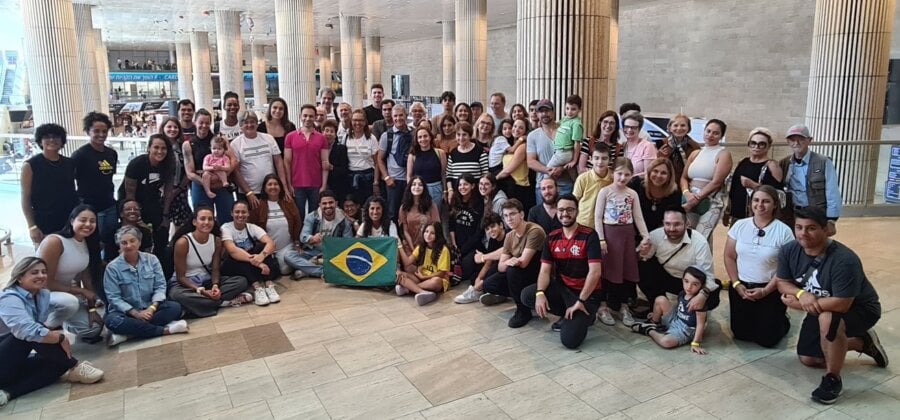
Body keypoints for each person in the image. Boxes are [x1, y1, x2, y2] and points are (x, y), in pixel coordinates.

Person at [775, 207, 887, 404]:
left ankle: (833, 379)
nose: (803, 233)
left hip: (859, 308)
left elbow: (842, 304)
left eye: (811, 228)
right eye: (799, 227)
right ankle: (863, 342)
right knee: (809, 359)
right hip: (820, 305)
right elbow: (782, 282)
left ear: (826, 229)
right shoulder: (789, 250)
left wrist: (800, 304)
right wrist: (802, 294)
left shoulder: (845, 260)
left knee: (828, 319)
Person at [0, 257, 104, 407]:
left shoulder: (42, 295)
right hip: (7, 355)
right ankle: (75, 366)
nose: (41, 276)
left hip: (16, 360)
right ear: (20, 277)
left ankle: (7, 392)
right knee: (30, 334)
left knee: (58, 363)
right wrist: (60, 338)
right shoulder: (9, 298)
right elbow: (26, 331)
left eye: (44, 272)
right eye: (34, 272)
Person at [521, 193, 601, 349]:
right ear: (556, 212)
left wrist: (581, 301)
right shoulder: (551, 238)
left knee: (570, 341)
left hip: (587, 295)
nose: (565, 214)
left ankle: (586, 316)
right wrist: (540, 293)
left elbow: (595, 272)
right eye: (561, 210)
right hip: (564, 289)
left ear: (577, 211)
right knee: (527, 295)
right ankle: (567, 313)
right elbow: (544, 271)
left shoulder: (590, 235)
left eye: (570, 210)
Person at [724, 186, 795, 348]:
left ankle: (781, 319)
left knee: (767, 340)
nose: (760, 205)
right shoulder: (740, 226)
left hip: (770, 290)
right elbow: (729, 256)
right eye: (756, 200)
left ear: (775, 205)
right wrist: (736, 284)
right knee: (741, 335)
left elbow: (786, 268)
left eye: (766, 201)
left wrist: (765, 291)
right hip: (741, 288)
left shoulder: (784, 231)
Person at [103, 226, 188, 347]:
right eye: (124, 243)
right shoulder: (112, 268)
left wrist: (152, 308)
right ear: (119, 246)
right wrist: (136, 313)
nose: (129, 245)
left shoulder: (152, 260)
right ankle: (164, 330)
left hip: (150, 308)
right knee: (112, 321)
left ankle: (130, 334)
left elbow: (160, 286)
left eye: (132, 241)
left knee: (175, 307)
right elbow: (113, 298)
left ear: (139, 242)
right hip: (125, 313)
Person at [594, 158, 650, 326]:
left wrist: (645, 235)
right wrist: (601, 239)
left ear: (632, 176)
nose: (622, 178)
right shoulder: (605, 191)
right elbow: (597, 217)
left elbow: (638, 217)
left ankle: (623, 306)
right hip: (610, 236)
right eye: (619, 174)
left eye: (627, 175)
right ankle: (603, 306)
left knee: (626, 272)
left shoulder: (632, 194)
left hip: (626, 236)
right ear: (613, 173)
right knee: (607, 271)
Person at [167, 206, 251, 318]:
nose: (206, 222)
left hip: (207, 280)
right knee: (176, 295)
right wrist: (200, 291)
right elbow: (180, 277)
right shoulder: (183, 242)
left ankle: (198, 306)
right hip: (186, 284)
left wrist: (215, 286)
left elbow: (215, 269)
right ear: (194, 222)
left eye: (210, 219)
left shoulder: (216, 240)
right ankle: (222, 303)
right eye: (202, 219)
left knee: (241, 281)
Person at [37, 205, 104, 343]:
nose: (88, 224)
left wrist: (92, 310)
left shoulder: (86, 243)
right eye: (83, 220)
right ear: (72, 221)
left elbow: (87, 279)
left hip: (64, 294)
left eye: (92, 221)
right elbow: (45, 282)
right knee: (70, 302)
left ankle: (63, 319)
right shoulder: (55, 241)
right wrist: (79, 291)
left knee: (94, 329)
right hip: (41, 294)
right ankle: (42, 330)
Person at [637, 207, 719, 311]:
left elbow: (708, 276)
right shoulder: (655, 235)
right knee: (642, 267)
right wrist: (640, 253)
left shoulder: (700, 242)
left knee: (712, 297)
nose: (671, 229)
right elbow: (639, 259)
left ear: (686, 223)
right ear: (663, 223)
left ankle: (689, 312)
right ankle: (658, 304)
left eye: (677, 224)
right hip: (665, 276)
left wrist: (703, 295)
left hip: (690, 282)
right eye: (667, 224)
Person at [482, 199, 546, 327]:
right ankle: (523, 298)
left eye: (512, 214)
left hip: (538, 273)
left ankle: (523, 310)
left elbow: (524, 262)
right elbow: (501, 266)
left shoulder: (534, 230)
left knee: (513, 270)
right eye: (505, 216)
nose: (509, 219)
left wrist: (511, 262)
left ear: (521, 214)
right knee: (489, 284)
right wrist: (510, 261)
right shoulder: (509, 236)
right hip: (520, 272)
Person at [119, 134, 175, 263]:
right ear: (149, 148)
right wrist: (135, 220)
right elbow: (129, 194)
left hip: (153, 200)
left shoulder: (169, 164)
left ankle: (160, 270)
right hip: (132, 203)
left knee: (161, 234)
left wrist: (166, 215)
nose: (160, 151)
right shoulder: (137, 164)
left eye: (163, 148)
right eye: (156, 147)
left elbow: (168, 191)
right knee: (139, 236)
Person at [21, 123, 79, 245]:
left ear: (62, 140)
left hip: (69, 221)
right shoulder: (31, 165)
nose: (51, 140)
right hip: (44, 223)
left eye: (56, 137)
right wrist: (32, 227)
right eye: (47, 137)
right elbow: (25, 199)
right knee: (47, 260)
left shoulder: (69, 163)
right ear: (40, 141)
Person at [780, 124, 842, 235]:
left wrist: (832, 219)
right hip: (792, 213)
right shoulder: (784, 163)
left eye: (801, 139)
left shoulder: (823, 162)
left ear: (809, 140)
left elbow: (832, 191)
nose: (796, 143)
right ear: (788, 142)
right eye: (792, 139)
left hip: (815, 213)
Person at [632, 266, 709, 355]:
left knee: (666, 342)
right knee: (660, 299)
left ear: (701, 286)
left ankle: (648, 330)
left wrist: (696, 343)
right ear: (682, 280)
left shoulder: (698, 303)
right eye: (686, 281)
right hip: (676, 319)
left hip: (685, 330)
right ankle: (654, 322)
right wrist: (658, 314)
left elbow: (700, 324)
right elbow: (679, 307)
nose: (689, 287)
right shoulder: (682, 293)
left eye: (695, 284)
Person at [72, 112, 118, 260]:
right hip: (90, 207)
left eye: (104, 131)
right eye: (96, 131)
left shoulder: (111, 153)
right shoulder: (80, 155)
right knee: (93, 244)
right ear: (88, 132)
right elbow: (70, 180)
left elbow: (108, 178)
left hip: (109, 205)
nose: (101, 134)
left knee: (110, 242)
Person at [682, 119, 733, 245]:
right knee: (689, 237)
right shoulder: (695, 153)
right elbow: (683, 177)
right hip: (690, 199)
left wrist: (697, 198)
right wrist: (686, 193)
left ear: (721, 136)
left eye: (715, 133)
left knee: (700, 239)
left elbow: (716, 182)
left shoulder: (723, 154)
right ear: (704, 131)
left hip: (711, 200)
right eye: (708, 131)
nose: (710, 135)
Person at [221, 201, 281, 306]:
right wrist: (258, 262)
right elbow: (232, 250)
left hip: (252, 263)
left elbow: (271, 243)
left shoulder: (252, 227)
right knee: (238, 255)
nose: (240, 215)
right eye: (237, 212)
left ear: (248, 214)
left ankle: (269, 284)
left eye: (244, 212)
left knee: (263, 248)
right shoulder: (226, 228)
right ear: (231, 213)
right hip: (235, 266)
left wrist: (262, 256)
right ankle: (257, 288)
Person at [183, 110, 236, 224]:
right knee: (203, 219)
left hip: (221, 181)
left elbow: (234, 160)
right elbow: (190, 173)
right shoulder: (188, 145)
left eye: (207, 123)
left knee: (227, 218)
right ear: (195, 122)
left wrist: (223, 177)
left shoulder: (220, 140)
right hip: (201, 183)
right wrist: (206, 182)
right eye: (201, 122)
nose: (204, 126)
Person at [724, 127, 784, 225]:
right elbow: (734, 189)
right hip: (737, 213)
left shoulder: (772, 165)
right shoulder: (743, 162)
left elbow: (779, 193)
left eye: (761, 144)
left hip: (759, 216)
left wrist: (753, 185)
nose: (756, 147)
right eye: (753, 143)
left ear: (768, 146)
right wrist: (728, 210)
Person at [232, 110, 290, 208]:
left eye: (252, 122)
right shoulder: (235, 144)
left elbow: (279, 162)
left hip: (270, 190)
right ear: (241, 125)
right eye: (246, 122)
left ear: (257, 124)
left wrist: (284, 187)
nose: (249, 125)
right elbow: (236, 172)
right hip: (249, 193)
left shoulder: (269, 138)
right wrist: (249, 193)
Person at [249, 174, 303, 275]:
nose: (273, 187)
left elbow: (297, 222)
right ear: (264, 188)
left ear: (280, 187)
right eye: (269, 184)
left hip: (287, 246)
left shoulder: (288, 202)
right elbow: (252, 228)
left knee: (284, 270)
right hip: (268, 249)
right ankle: (300, 267)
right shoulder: (258, 205)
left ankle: (300, 266)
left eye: (276, 184)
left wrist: (297, 243)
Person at [293, 191, 355, 279]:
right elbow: (303, 236)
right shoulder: (312, 217)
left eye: (331, 202)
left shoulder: (344, 220)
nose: (328, 206)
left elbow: (348, 242)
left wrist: (334, 245)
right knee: (289, 256)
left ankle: (308, 269)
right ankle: (322, 271)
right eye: (324, 203)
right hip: (314, 252)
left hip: (333, 254)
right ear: (320, 205)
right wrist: (312, 238)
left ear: (336, 203)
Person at [284, 104, 329, 215]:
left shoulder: (322, 138)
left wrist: (323, 185)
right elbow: (287, 161)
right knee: (298, 215)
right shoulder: (290, 136)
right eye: (305, 115)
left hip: (316, 184)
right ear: (300, 116)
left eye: (311, 116)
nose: (308, 119)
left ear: (315, 117)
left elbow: (325, 163)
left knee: (315, 216)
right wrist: (289, 184)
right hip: (297, 183)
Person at [527, 99, 574, 202]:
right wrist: (548, 170)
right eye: (541, 111)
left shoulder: (566, 130)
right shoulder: (532, 136)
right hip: (543, 186)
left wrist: (562, 168)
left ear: (553, 112)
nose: (544, 114)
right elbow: (530, 162)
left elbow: (575, 155)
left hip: (565, 185)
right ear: (537, 114)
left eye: (547, 111)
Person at [453, 213, 506, 304]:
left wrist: (482, 257)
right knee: (475, 277)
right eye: (487, 229)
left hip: (506, 268)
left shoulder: (509, 236)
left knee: (494, 269)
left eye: (493, 226)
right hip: (496, 269)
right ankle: (495, 293)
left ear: (501, 225)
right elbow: (488, 262)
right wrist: (479, 278)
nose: (490, 231)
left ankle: (479, 290)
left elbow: (505, 252)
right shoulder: (493, 240)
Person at [396, 222, 452, 306]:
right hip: (421, 277)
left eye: (432, 233)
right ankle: (422, 292)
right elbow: (407, 262)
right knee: (401, 275)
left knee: (436, 281)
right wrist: (400, 246)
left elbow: (442, 273)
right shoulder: (421, 247)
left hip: (436, 279)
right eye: (426, 231)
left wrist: (425, 277)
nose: (428, 235)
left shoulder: (443, 249)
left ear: (438, 235)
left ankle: (409, 289)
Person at [376, 105, 413, 222]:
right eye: (395, 116)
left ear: (406, 116)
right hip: (394, 181)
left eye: (401, 115)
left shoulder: (413, 134)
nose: (398, 118)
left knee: (409, 212)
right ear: (392, 118)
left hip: (410, 181)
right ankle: (394, 238)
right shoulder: (387, 136)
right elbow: (380, 158)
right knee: (393, 213)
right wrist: (386, 177)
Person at [629, 158, 682, 232]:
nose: (658, 175)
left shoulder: (675, 193)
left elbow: (671, 220)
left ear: (669, 176)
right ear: (649, 172)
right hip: (632, 231)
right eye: (655, 171)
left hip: (659, 234)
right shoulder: (636, 184)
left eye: (663, 173)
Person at [448, 174, 484, 274]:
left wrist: (463, 250)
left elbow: (478, 233)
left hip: (472, 246)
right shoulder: (454, 200)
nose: (462, 187)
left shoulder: (479, 203)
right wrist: (454, 244)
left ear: (472, 186)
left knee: (464, 271)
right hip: (457, 245)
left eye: (465, 184)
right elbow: (451, 226)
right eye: (460, 185)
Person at [573, 142, 613, 229]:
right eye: (596, 158)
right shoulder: (582, 178)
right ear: (590, 159)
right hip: (584, 223)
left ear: (610, 160)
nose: (600, 162)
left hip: (606, 224)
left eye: (604, 158)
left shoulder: (613, 178)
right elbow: (574, 201)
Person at [446, 122, 489, 200]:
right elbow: (449, 176)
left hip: (475, 196)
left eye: (464, 134)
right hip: (457, 196)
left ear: (470, 135)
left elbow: (485, 174)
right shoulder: (453, 153)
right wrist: (450, 191)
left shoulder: (479, 151)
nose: (461, 138)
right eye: (458, 134)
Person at [345, 109, 380, 202]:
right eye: (355, 120)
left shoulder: (372, 139)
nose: (357, 123)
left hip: (367, 177)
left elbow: (377, 163)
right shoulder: (346, 137)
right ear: (351, 122)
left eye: (360, 120)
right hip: (350, 177)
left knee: (366, 205)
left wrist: (376, 182)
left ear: (365, 122)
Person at [408, 127, 447, 210]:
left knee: (435, 217)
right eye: (420, 137)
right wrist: (410, 191)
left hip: (436, 189)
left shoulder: (440, 153)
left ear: (430, 137)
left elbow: (443, 174)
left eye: (425, 136)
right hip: (418, 190)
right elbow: (409, 175)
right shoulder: (412, 155)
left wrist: (445, 191)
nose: (423, 139)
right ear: (416, 140)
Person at [497, 118, 532, 210]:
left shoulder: (523, 146)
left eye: (521, 128)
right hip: (508, 184)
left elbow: (508, 170)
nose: (516, 129)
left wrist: (494, 178)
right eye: (515, 126)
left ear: (525, 131)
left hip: (519, 187)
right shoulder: (510, 145)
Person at [398, 176, 441, 251]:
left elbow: (436, 228)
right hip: (410, 246)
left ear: (424, 188)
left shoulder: (431, 205)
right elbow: (404, 231)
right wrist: (412, 249)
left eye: (420, 185)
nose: (417, 187)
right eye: (414, 184)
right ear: (409, 187)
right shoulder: (404, 208)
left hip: (428, 246)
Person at [657, 113, 701, 182]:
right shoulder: (661, 144)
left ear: (688, 128)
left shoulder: (695, 147)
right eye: (675, 125)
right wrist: (660, 157)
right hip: (664, 182)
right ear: (670, 128)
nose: (679, 128)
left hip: (686, 183)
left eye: (683, 125)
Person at [546, 94, 583, 175]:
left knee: (548, 170)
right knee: (572, 175)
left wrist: (574, 160)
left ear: (579, 110)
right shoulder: (565, 119)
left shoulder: (576, 124)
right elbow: (555, 125)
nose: (569, 112)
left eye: (573, 109)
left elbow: (577, 143)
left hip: (565, 152)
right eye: (567, 108)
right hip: (558, 150)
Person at [620, 111, 657, 177]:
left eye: (633, 127)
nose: (629, 130)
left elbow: (648, 173)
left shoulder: (647, 146)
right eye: (627, 126)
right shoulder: (622, 146)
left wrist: (627, 177)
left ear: (639, 129)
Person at [323, 119, 350, 203]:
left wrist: (331, 167)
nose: (328, 134)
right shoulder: (317, 148)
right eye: (326, 131)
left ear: (335, 134)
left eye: (332, 131)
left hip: (337, 186)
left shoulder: (341, 149)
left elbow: (344, 169)